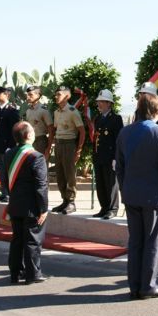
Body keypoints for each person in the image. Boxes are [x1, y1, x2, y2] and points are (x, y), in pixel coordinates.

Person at [116, 92, 158, 299]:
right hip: (154, 196)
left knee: (135, 241)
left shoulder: (124, 133)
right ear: (155, 111)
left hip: (132, 194)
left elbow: (120, 167)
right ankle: (148, 285)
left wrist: (125, 190)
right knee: (153, 241)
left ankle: (134, 285)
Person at [0, 121, 49, 285]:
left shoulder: (8, 154)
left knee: (17, 239)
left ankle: (15, 273)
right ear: (28, 135)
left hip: (15, 203)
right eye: (33, 131)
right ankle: (33, 273)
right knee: (32, 240)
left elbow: (5, 180)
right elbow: (41, 185)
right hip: (32, 206)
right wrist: (43, 208)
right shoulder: (36, 156)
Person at [52, 85, 85, 214]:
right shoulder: (56, 112)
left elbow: (82, 131)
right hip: (59, 145)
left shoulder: (72, 111)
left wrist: (79, 150)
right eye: (56, 94)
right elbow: (56, 129)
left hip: (69, 145)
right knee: (60, 174)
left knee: (70, 174)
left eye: (59, 94)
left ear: (67, 96)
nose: (56, 96)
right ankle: (64, 201)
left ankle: (71, 202)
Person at [92, 89, 123, 219]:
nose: (99, 104)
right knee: (100, 183)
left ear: (109, 104)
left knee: (111, 183)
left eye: (102, 102)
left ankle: (113, 208)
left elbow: (119, 139)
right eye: (98, 102)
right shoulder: (98, 118)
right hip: (99, 156)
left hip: (110, 157)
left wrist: (116, 157)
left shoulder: (116, 119)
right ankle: (104, 207)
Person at [0, 85, 20, 202]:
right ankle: (4, 192)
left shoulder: (12, 110)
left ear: (7, 95)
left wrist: (11, 146)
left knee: (8, 170)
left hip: (7, 146)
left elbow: (14, 130)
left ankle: (9, 194)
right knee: (1, 170)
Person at [24, 85, 54, 156]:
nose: (28, 97)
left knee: (41, 165)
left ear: (38, 95)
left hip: (41, 141)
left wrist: (48, 148)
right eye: (27, 95)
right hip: (30, 141)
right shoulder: (28, 111)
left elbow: (51, 129)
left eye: (31, 95)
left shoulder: (43, 110)